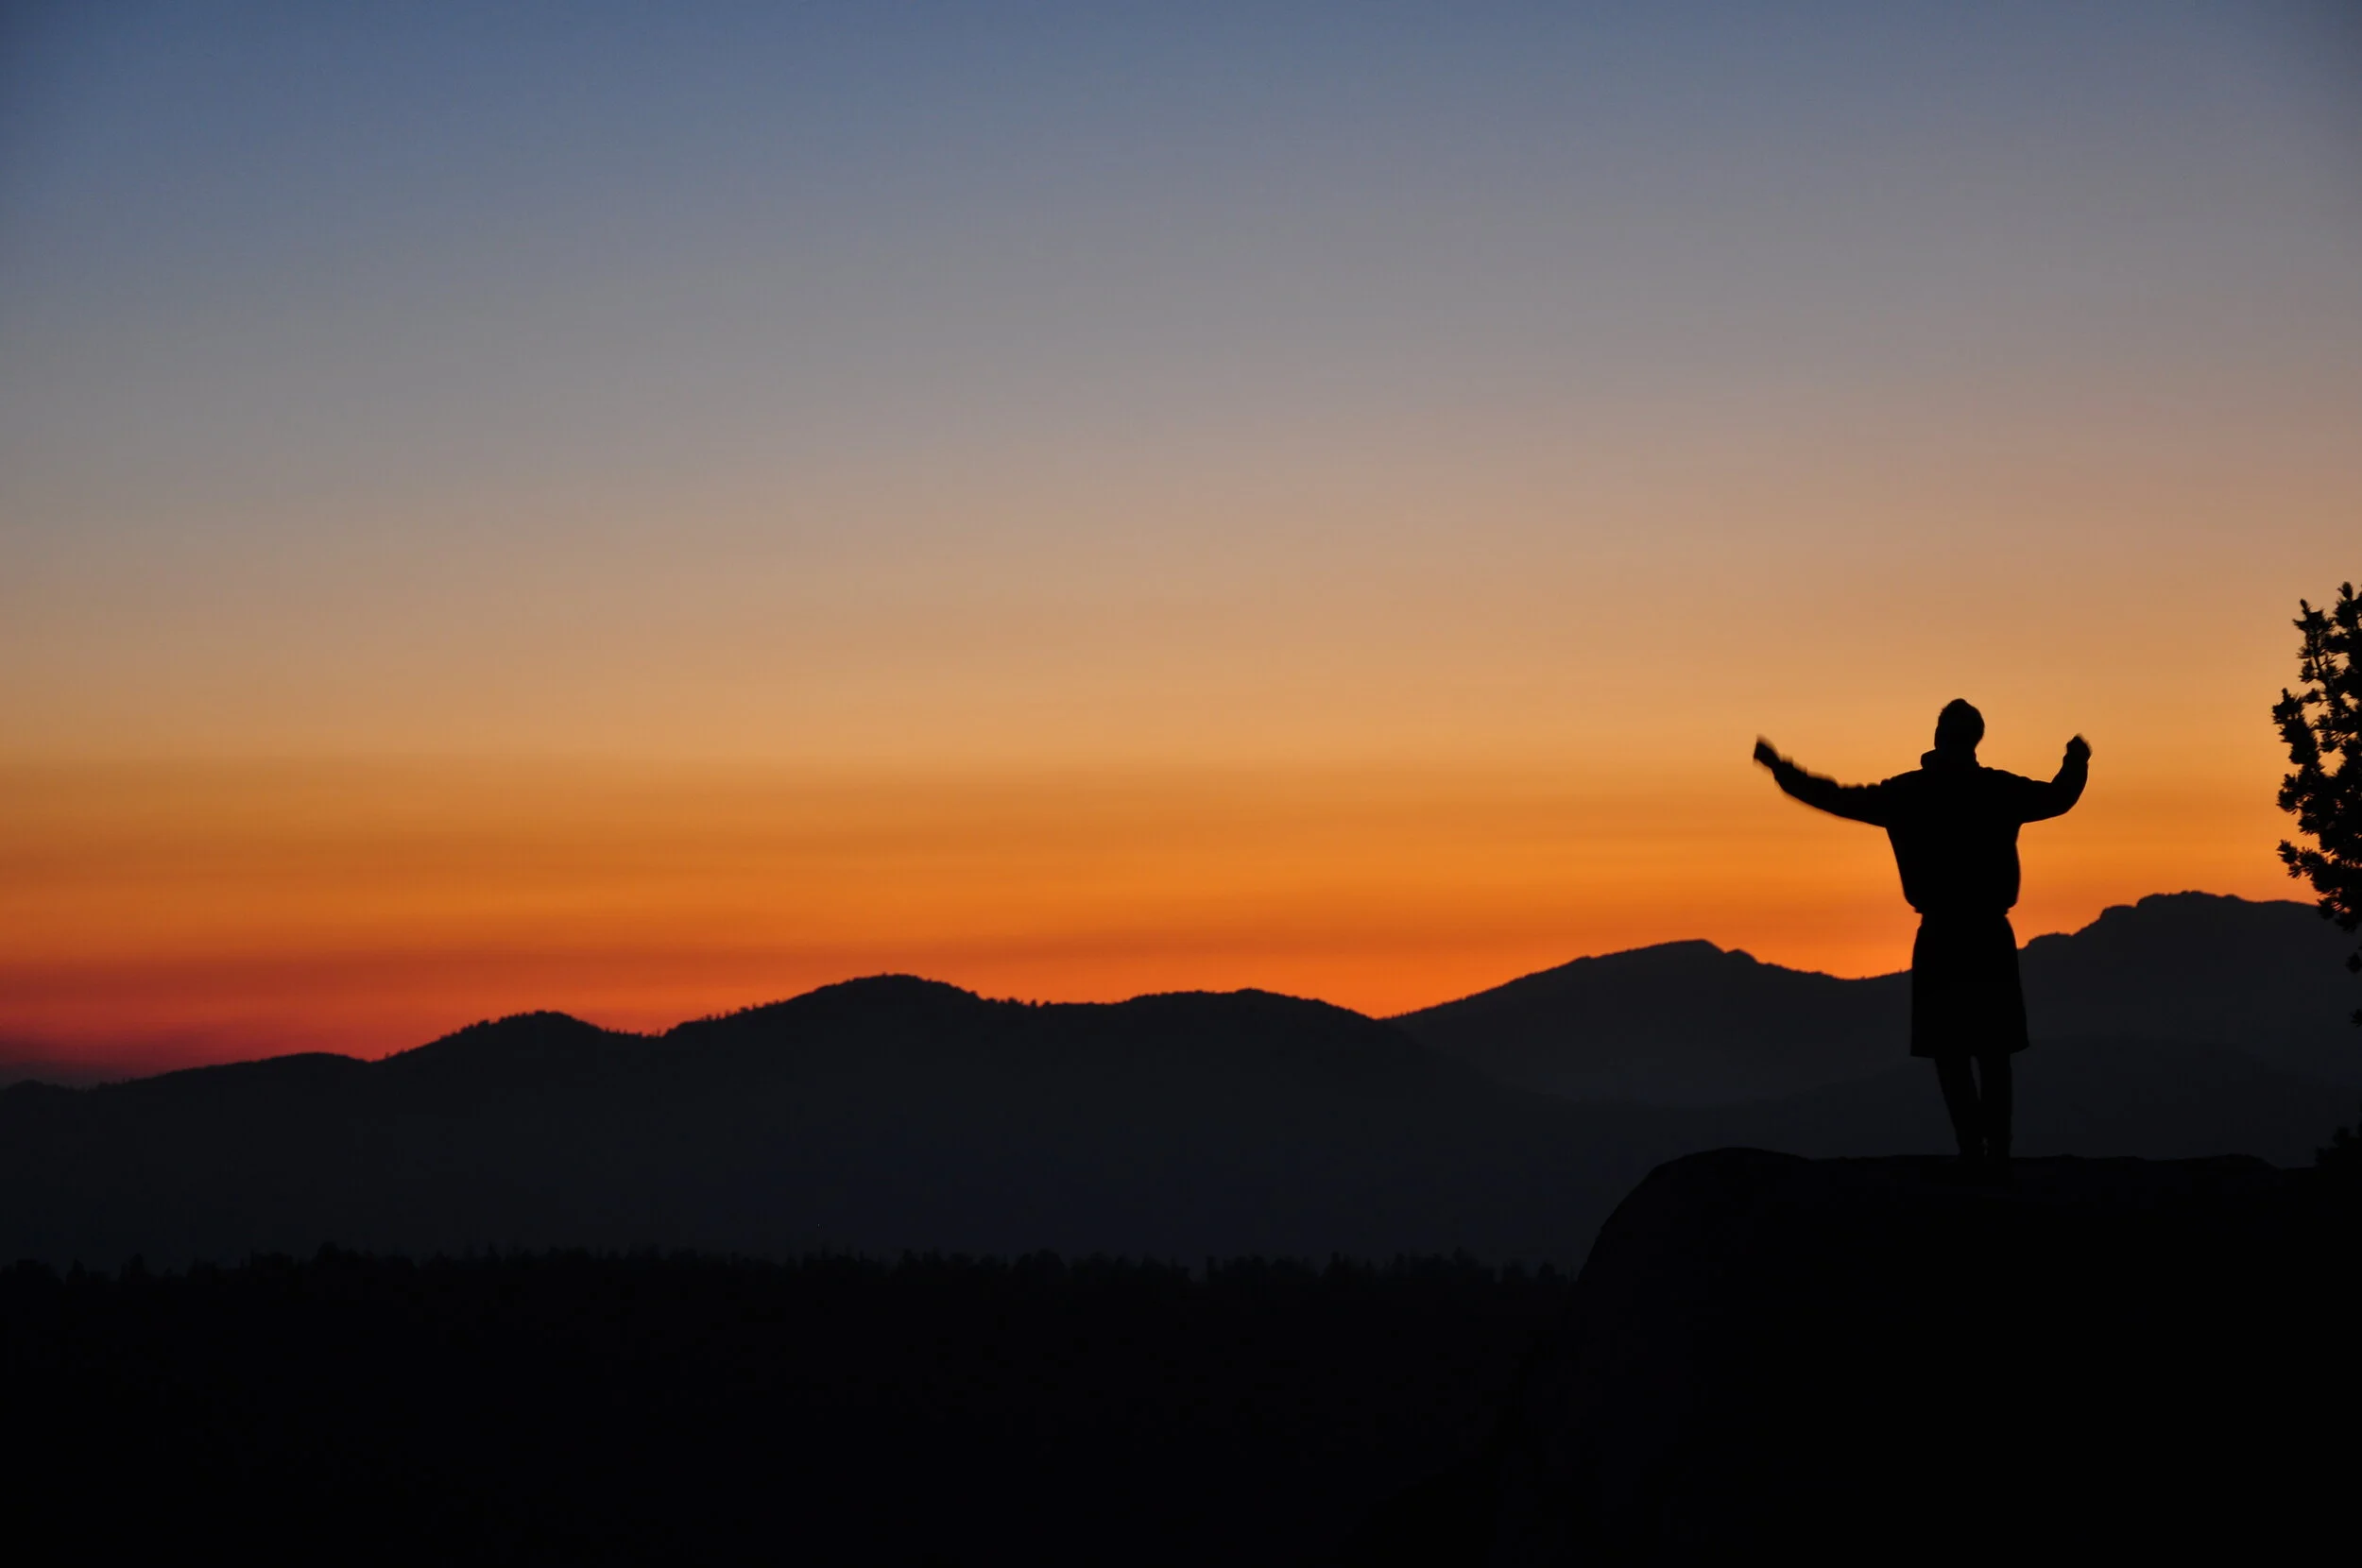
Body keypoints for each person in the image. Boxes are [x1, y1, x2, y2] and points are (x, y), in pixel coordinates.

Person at [1754, 701, 2089, 1167]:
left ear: (1938, 737)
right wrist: (2076, 760)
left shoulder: (1908, 794)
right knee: (1992, 1051)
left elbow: (1835, 797)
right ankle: (1996, 1152)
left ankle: (1974, 1149)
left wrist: (1781, 771)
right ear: (1975, 738)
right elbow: (2059, 797)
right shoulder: (1995, 790)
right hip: (1988, 934)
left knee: (1953, 1052)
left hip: (1943, 935)